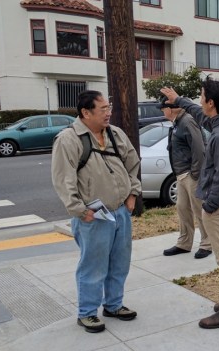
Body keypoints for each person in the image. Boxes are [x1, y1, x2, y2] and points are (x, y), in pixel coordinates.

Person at [51, 90, 141, 333]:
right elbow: (63, 180)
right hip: (93, 215)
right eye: (102, 109)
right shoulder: (68, 140)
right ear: (85, 112)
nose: (108, 112)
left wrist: (132, 193)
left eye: (108, 107)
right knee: (93, 266)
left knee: (119, 262)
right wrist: (80, 210)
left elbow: (132, 163)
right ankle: (87, 313)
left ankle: (113, 305)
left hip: (120, 211)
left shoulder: (114, 133)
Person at [160, 80, 219, 329]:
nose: (199, 101)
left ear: (211, 103)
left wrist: (209, 206)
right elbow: (198, 113)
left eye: (201, 97)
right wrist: (179, 100)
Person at [159, 96, 213, 259]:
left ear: (171, 108)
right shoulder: (177, 122)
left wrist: (196, 173)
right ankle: (184, 242)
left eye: (163, 108)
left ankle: (207, 243)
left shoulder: (187, 121)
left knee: (198, 209)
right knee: (182, 208)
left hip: (191, 174)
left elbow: (199, 148)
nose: (162, 112)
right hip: (181, 174)